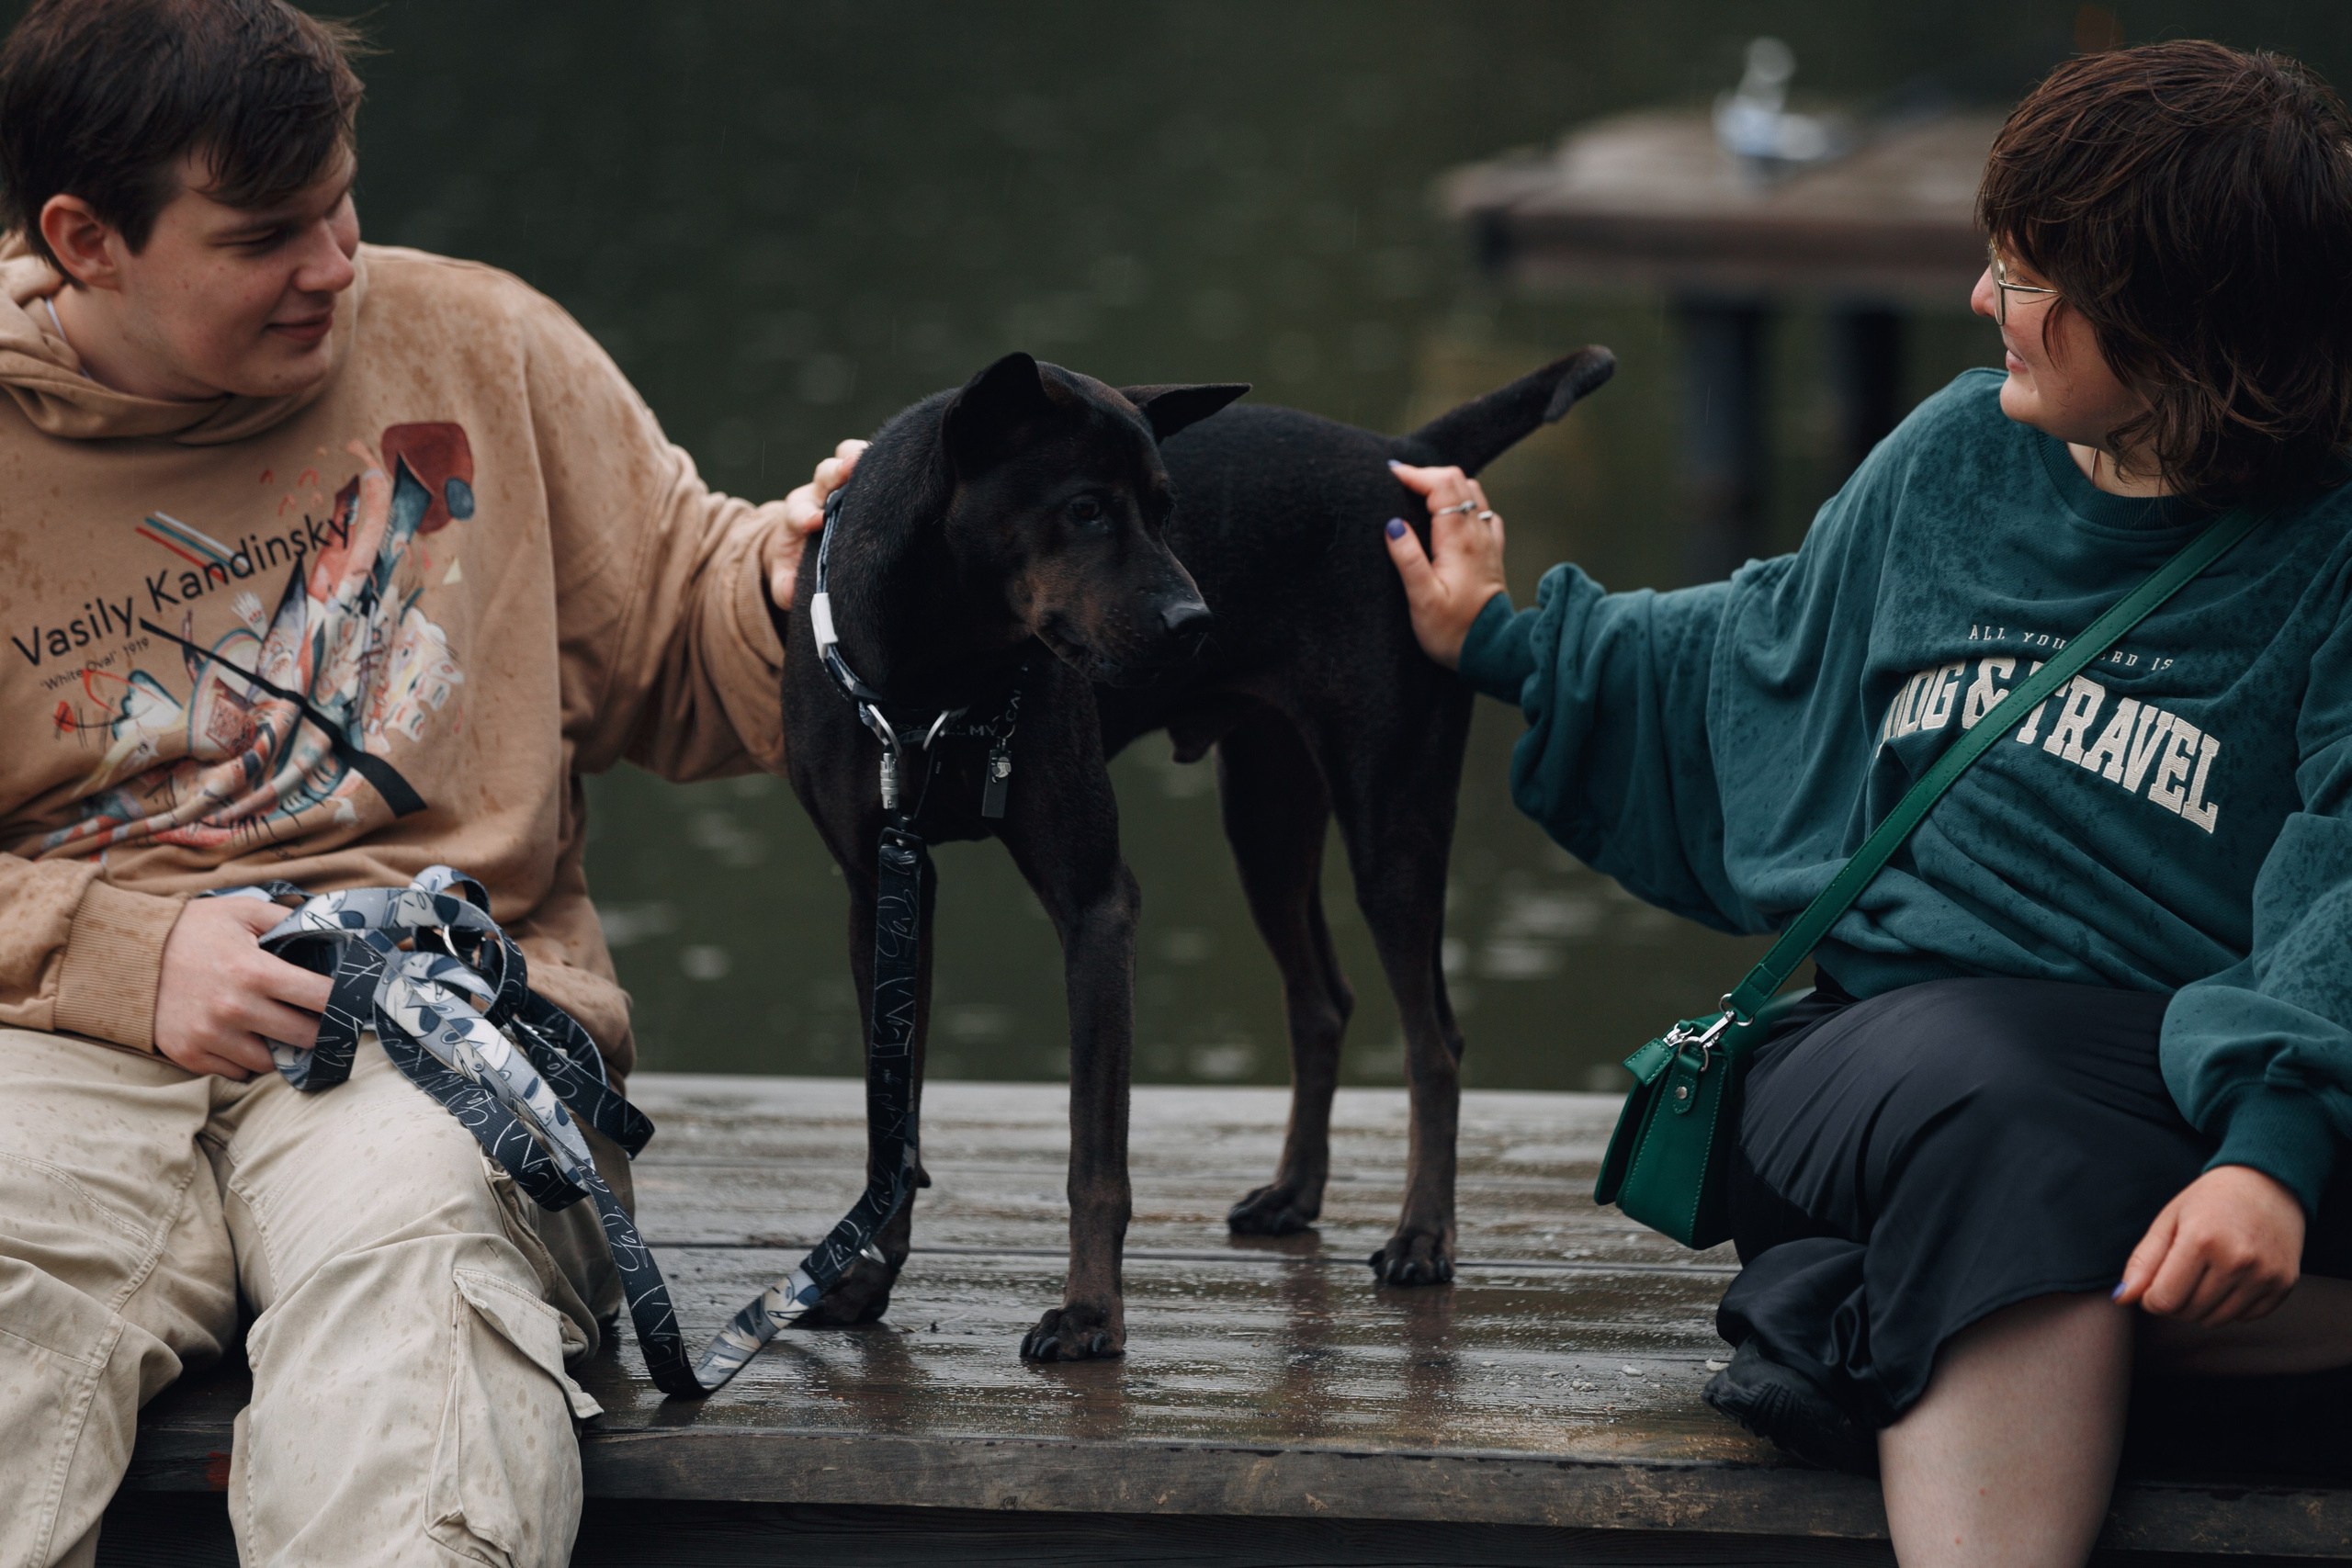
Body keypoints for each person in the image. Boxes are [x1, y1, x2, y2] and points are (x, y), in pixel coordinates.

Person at [1384, 39, 2352, 1568]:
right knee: (2004, 1103)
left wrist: (2272, 1147)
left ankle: (1845, 1305)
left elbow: (2347, 871)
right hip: (1896, 1060)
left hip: (2203, 1096)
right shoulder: (1954, 458)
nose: (1982, 303)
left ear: (2181, 317)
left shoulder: (2333, 550)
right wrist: (1508, 637)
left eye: (2029, 278)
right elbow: (1758, 646)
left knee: (2044, 1166)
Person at [0, 1, 835, 1562]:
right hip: (46, 1038)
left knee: (422, 1284)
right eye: (265, 237)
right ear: (84, 238)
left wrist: (809, 589)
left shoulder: (480, 344)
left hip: (420, 1016)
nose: (333, 268)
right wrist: (118, 953)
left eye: (341, 206)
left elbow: (684, 637)